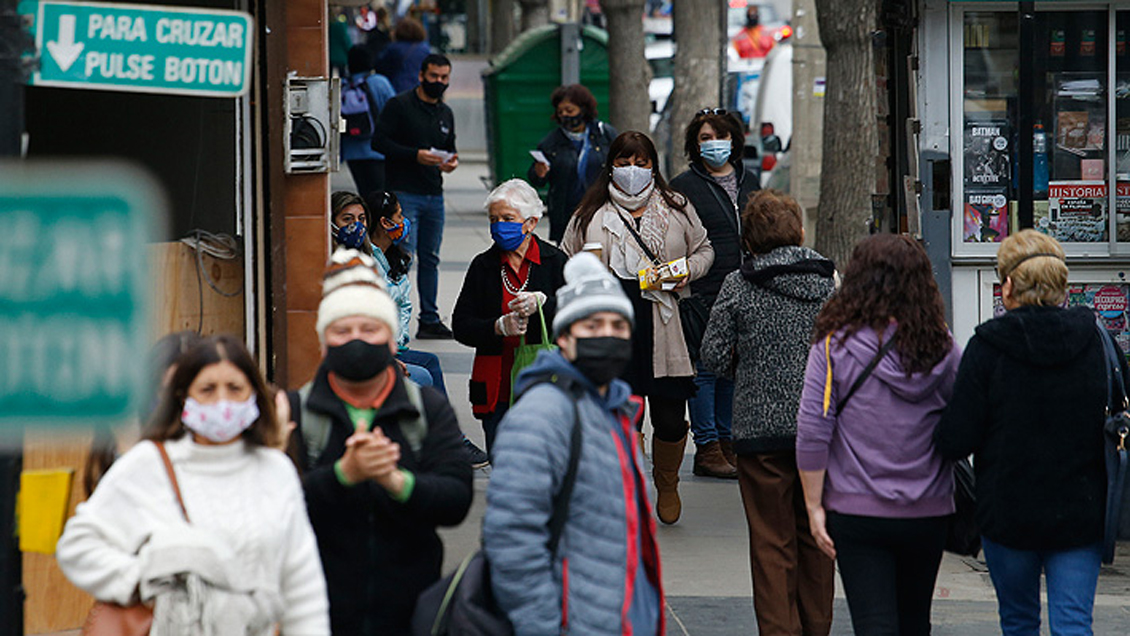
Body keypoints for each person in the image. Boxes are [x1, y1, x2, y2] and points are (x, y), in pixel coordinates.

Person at [57, 335, 330, 635]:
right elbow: (77, 547)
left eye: (235, 388)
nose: (222, 402)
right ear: (183, 397)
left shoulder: (276, 470)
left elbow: (303, 587)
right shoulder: (149, 463)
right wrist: (143, 579)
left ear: (254, 393)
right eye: (207, 390)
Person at [935, 230, 1111, 636]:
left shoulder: (987, 347)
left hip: (1007, 514)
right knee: (1073, 624)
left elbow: (956, 439)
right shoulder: (1097, 342)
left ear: (1009, 285)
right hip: (1081, 511)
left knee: (1017, 622)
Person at [291, 248, 472, 635]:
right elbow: (274, 506)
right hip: (316, 615)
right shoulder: (294, 413)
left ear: (392, 341)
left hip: (410, 614)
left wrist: (396, 481)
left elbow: (457, 499)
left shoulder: (427, 409)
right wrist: (343, 475)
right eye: (342, 331)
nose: (356, 340)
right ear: (322, 343)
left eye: (370, 329)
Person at [484, 251, 664, 636]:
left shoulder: (617, 411)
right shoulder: (541, 415)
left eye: (618, 325)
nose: (607, 335)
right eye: (592, 325)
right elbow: (512, 540)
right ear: (564, 339)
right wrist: (542, 625)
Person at [796, 234, 961, 636]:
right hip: (928, 508)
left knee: (873, 624)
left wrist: (814, 506)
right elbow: (964, 418)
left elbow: (814, 428)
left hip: (856, 508)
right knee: (914, 621)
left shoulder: (834, 345)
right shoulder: (942, 345)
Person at [561, 130, 714, 525]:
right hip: (613, 324)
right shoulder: (591, 213)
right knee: (622, 413)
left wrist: (686, 270)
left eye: (641, 163)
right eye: (624, 162)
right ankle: (625, 484)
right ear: (611, 166)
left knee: (669, 419)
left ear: (653, 166)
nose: (632, 170)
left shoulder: (676, 207)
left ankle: (667, 482)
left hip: (664, 321)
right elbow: (566, 258)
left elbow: (705, 249)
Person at [700, 190, 836, 635]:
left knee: (770, 542)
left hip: (758, 433)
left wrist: (749, 368)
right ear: (799, 232)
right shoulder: (829, 282)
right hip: (821, 429)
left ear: (748, 241)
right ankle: (818, 627)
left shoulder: (739, 285)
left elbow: (713, 355)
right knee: (816, 537)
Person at [670, 108, 761, 479]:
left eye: (720, 136)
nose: (714, 144)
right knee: (706, 368)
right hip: (704, 289)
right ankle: (706, 447)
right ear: (695, 145)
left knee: (731, 369)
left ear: (734, 140)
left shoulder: (749, 179)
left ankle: (727, 443)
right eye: (705, 138)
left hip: (748, 286)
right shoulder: (684, 186)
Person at [452, 179, 568, 454]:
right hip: (497, 385)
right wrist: (497, 326)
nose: (499, 226)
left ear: (531, 223)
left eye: (507, 218)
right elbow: (461, 325)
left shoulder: (555, 261)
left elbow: (578, 316)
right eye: (494, 219)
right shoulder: (483, 265)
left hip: (544, 383)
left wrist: (544, 304)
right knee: (502, 460)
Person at [372, 52, 459, 340]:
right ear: (421, 76)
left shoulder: (445, 113)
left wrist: (450, 162)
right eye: (434, 76)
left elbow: (450, 147)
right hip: (404, 193)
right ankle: (393, 317)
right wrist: (414, 155)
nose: (439, 82)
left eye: (444, 77)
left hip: (434, 194)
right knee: (401, 256)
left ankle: (430, 318)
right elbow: (379, 141)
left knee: (430, 258)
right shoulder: (399, 105)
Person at [329, 191, 435, 390]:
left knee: (430, 364)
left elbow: (402, 304)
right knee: (424, 376)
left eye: (361, 219)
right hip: (359, 353)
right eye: (347, 219)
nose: (356, 226)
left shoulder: (369, 257)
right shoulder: (336, 264)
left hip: (385, 345)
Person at [526, 84, 618, 243]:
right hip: (566, 215)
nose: (565, 116)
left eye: (570, 111)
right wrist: (539, 173)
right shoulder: (551, 143)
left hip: (601, 210)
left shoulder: (603, 135)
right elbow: (537, 180)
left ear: (583, 109)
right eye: (560, 112)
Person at [341, 45, 395, 198]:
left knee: (365, 193)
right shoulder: (380, 82)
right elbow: (394, 112)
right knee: (381, 196)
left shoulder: (344, 85)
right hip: (377, 150)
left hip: (352, 152)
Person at [376, 17, 431, 93]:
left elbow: (380, 67)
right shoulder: (424, 48)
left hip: (398, 87)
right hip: (419, 87)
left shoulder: (393, 48)